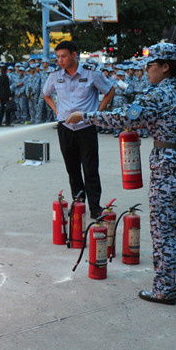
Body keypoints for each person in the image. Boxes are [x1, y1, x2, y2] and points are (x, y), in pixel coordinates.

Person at [67, 42, 176, 305]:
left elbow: (123, 118)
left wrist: (85, 115)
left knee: (164, 230)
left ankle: (163, 289)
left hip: (168, 167)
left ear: (165, 67)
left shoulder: (158, 94)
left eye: (150, 65)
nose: (146, 70)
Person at [43, 40, 114, 218]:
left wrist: (97, 113)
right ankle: (78, 204)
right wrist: (56, 110)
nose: (60, 60)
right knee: (72, 168)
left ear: (74, 55)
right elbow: (46, 93)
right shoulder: (55, 76)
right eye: (58, 57)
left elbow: (109, 91)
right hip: (65, 128)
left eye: (64, 56)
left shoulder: (92, 73)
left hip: (86, 127)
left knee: (90, 169)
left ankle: (95, 207)